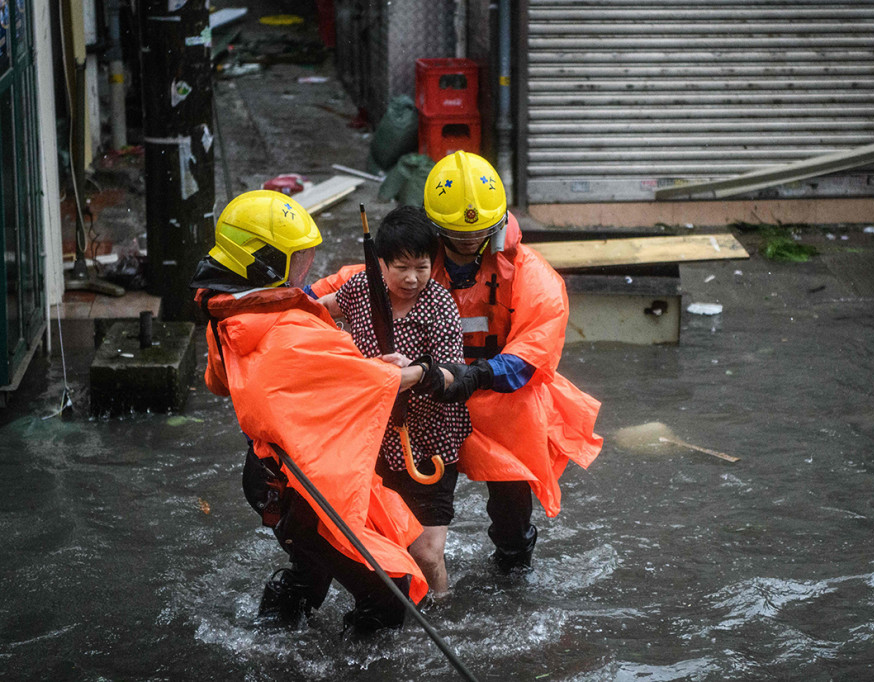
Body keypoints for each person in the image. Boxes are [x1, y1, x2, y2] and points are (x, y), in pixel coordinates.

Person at [312, 152, 603, 573]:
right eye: (456, 235)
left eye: (478, 234)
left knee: (511, 509)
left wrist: (472, 375)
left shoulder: (530, 274)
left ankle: (513, 567)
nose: (468, 243)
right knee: (400, 508)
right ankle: (410, 569)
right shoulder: (413, 264)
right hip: (425, 404)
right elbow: (335, 291)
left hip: (502, 403)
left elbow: (532, 353)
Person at [189, 189, 432, 633]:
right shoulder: (285, 329)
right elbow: (353, 379)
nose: (306, 272)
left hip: (269, 473)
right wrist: (416, 372)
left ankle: (270, 642)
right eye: (297, 261)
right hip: (299, 486)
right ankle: (356, 660)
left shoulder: (229, 317)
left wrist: (362, 370)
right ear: (264, 263)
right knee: (387, 589)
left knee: (311, 572)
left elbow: (220, 383)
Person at [317, 205, 471, 594]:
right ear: (381, 264)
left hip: (430, 443)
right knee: (383, 546)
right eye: (401, 267)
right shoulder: (360, 288)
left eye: (422, 267)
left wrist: (414, 371)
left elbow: (453, 372)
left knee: (426, 553)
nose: (412, 278)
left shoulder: (440, 305)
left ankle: (441, 607)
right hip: (373, 440)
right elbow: (321, 309)